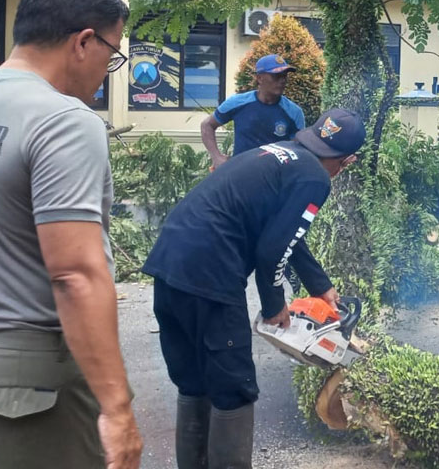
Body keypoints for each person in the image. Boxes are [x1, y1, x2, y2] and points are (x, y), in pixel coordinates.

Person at [0, 0, 142, 469]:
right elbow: (74, 274)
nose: (110, 67)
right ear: (83, 42)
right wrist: (117, 407)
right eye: (113, 53)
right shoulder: (63, 121)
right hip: (24, 383)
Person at [143, 108, 365, 468]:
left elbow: (288, 236)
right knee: (234, 388)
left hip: (169, 263)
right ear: (344, 160)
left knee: (194, 381)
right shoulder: (315, 179)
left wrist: (321, 287)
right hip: (210, 275)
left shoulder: (279, 154)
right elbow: (272, 249)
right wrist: (274, 303)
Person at [200, 53, 306, 170]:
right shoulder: (237, 103)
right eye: (276, 76)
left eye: (284, 76)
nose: (282, 81)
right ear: (259, 78)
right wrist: (216, 157)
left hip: (275, 179)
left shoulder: (294, 112)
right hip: (240, 174)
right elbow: (207, 125)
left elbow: (297, 151)